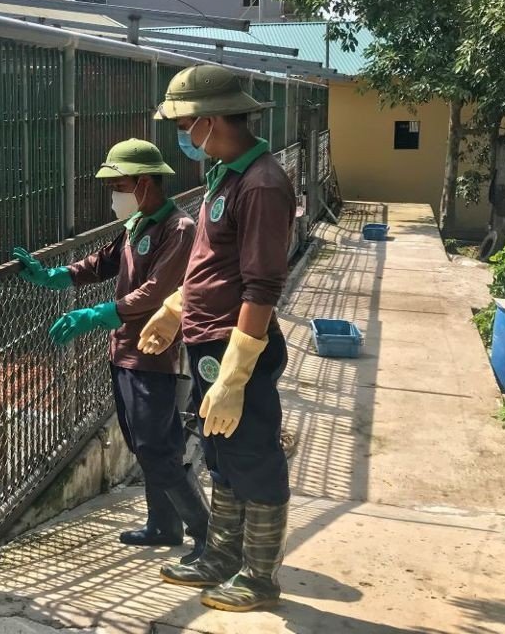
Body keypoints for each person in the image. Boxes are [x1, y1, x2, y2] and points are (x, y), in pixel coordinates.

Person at [138, 65, 296, 612]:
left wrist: (234, 374)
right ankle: (224, 557)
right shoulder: (226, 176)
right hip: (209, 342)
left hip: (238, 347)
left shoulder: (263, 184)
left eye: (183, 123)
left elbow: (260, 286)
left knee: (254, 453)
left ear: (207, 121)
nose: (181, 135)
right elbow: (212, 266)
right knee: (221, 453)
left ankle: (259, 575)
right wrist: (175, 307)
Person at [12, 138, 209, 563]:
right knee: (144, 444)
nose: (112, 196)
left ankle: (204, 533)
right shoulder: (137, 224)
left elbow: (156, 291)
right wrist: (53, 275)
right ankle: (163, 524)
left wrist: (98, 314)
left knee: (159, 447)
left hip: (156, 354)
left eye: (116, 186)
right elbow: (102, 263)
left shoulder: (179, 229)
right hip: (124, 351)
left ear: (142, 182)